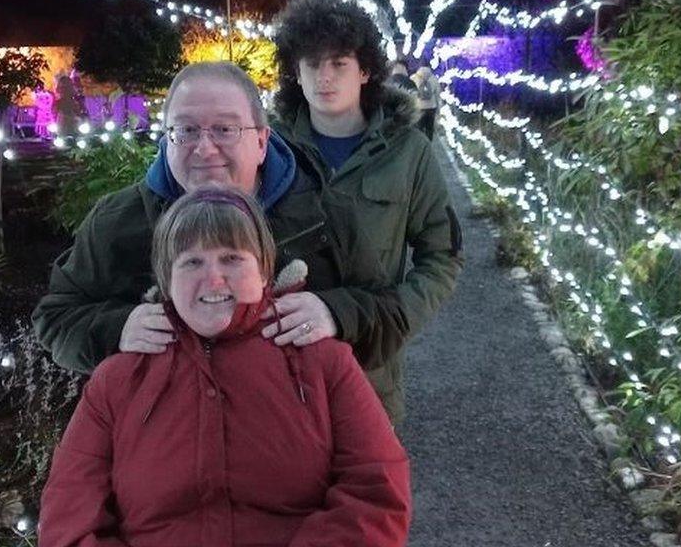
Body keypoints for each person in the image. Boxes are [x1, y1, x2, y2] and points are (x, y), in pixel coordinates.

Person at [38, 186, 411, 547]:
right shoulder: (119, 381)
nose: (214, 278)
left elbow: (375, 490)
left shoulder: (321, 362)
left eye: (232, 258)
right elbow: (70, 517)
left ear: (264, 270)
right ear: (167, 280)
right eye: (192, 262)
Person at [33, 61, 406, 382]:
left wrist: (336, 314)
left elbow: (390, 313)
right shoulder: (118, 223)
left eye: (225, 130)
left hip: (302, 443)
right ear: (166, 139)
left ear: (261, 142)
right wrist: (117, 330)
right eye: (187, 130)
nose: (205, 148)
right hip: (174, 448)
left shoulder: (326, 214)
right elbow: (56, 318)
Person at [271, 0, 462, 423]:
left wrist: (392, 321)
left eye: (339, 63)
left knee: (369, 484)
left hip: (369, 370)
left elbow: (443, 256)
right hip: (280, 368)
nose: (325, 77)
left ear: (365, 71)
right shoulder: (269, 149)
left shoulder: (409, 151)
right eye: (312, 64)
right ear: (294, 73)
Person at [412, 65, 440, 141]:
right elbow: (437, 94)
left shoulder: (413, 78)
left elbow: (411, 93)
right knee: (429, 128)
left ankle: (420, 145)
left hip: (419, 107)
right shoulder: (433, 78)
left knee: (419, 128)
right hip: (431, 107)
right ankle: (429, 145)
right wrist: (438, 109)